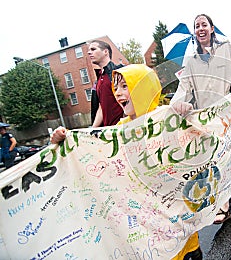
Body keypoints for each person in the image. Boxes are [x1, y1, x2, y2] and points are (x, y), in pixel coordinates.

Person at [51, 64, 202, 260]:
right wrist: (61, 141)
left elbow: (197, 146)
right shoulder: (117, 132)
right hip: (150, 229)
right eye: (116, 88)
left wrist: (187, 113)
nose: (118, 94)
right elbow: (88, 152)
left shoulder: (167, 116)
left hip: (181, 224)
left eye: (125, 86)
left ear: (143, 87)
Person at [170, 14, 231, 224]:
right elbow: (183, 88)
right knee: (215, 158)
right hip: (206, 119)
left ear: (212, 28)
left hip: (228, 112)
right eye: (196, 26)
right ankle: (222, 205)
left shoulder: (226, 48)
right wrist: (178, 103)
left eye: (204, 24)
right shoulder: (191, 61)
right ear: (194, 32)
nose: (200, 28)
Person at [87, 40, 124, 127]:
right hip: (109, 133)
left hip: (124, 129)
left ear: (105, 52)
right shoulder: (99, 80)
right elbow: (101, 107)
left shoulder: (120, 72)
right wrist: (93, 129)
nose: (89, 52)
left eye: (93, 49)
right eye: (89, 50)